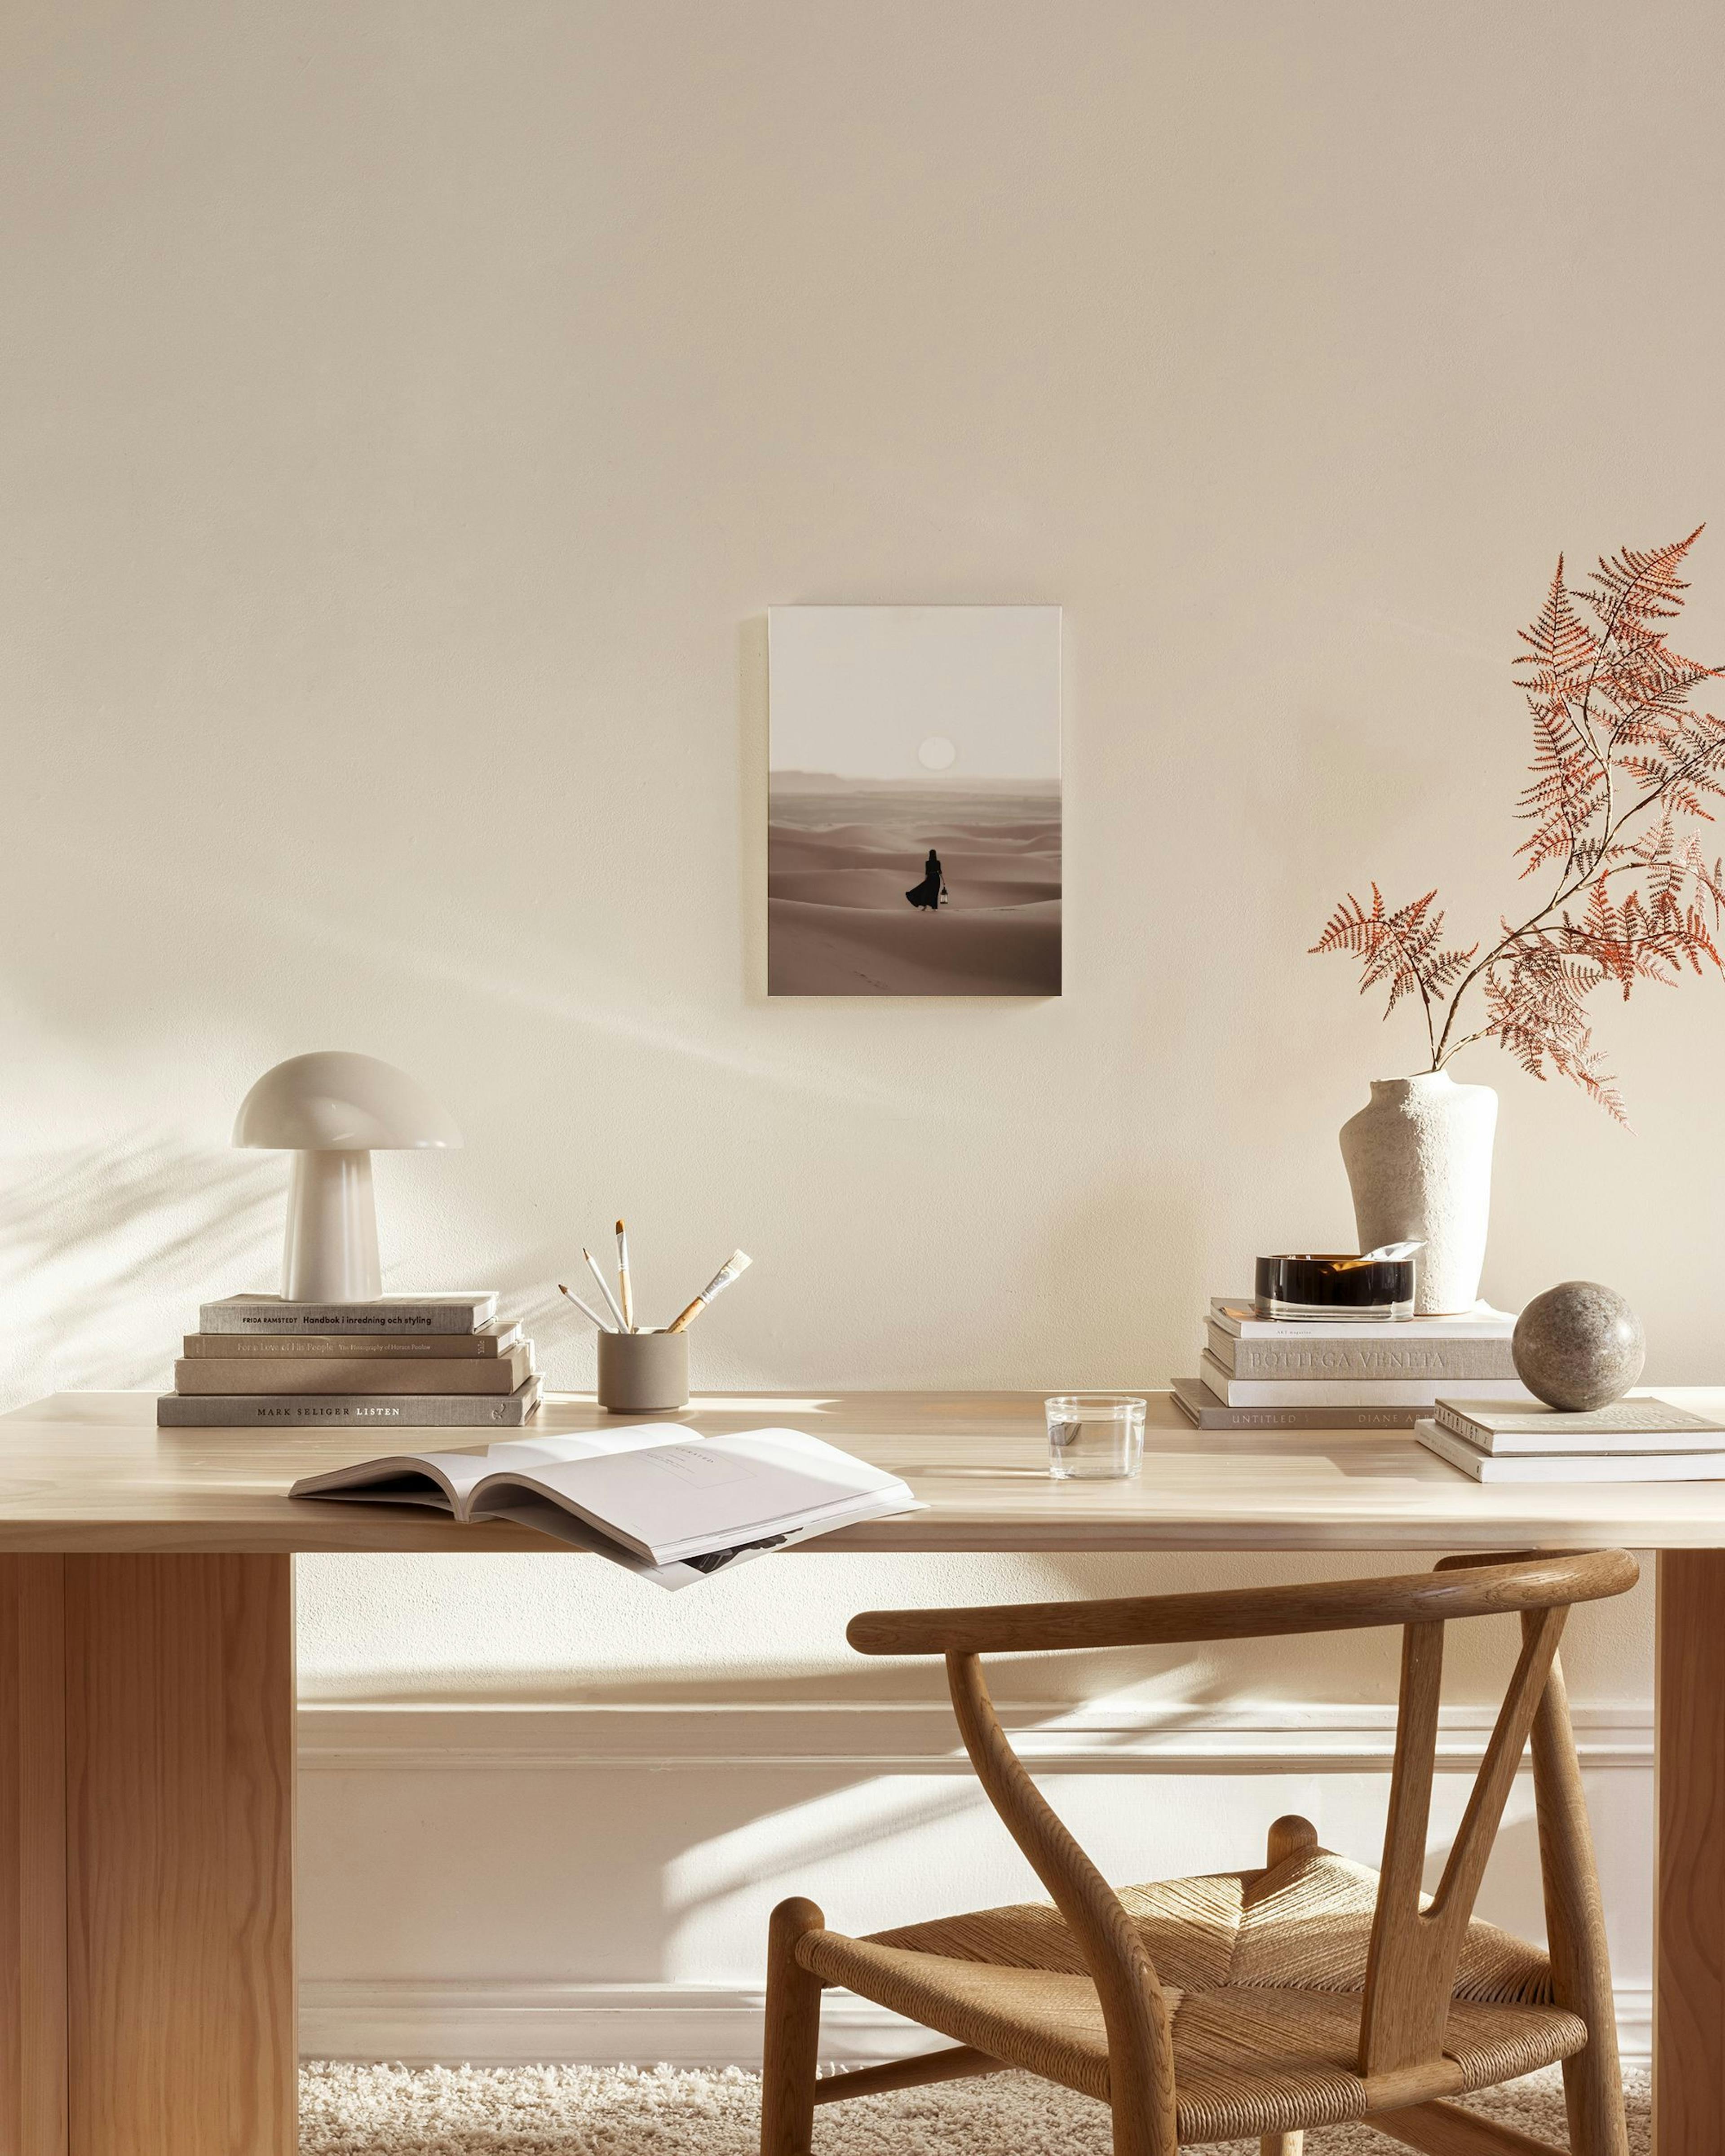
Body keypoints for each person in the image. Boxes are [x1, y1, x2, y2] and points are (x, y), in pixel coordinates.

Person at [904, 847, 947, 911]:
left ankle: (927, 906)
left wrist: (925, 880)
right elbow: (940, 872)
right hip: (936, 878)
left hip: (930, 878)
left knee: (927, 892)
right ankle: (934, 908)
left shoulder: (928, 863)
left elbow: (927, 873)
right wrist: (943, 880)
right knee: (934, 893)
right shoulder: (937, 862)